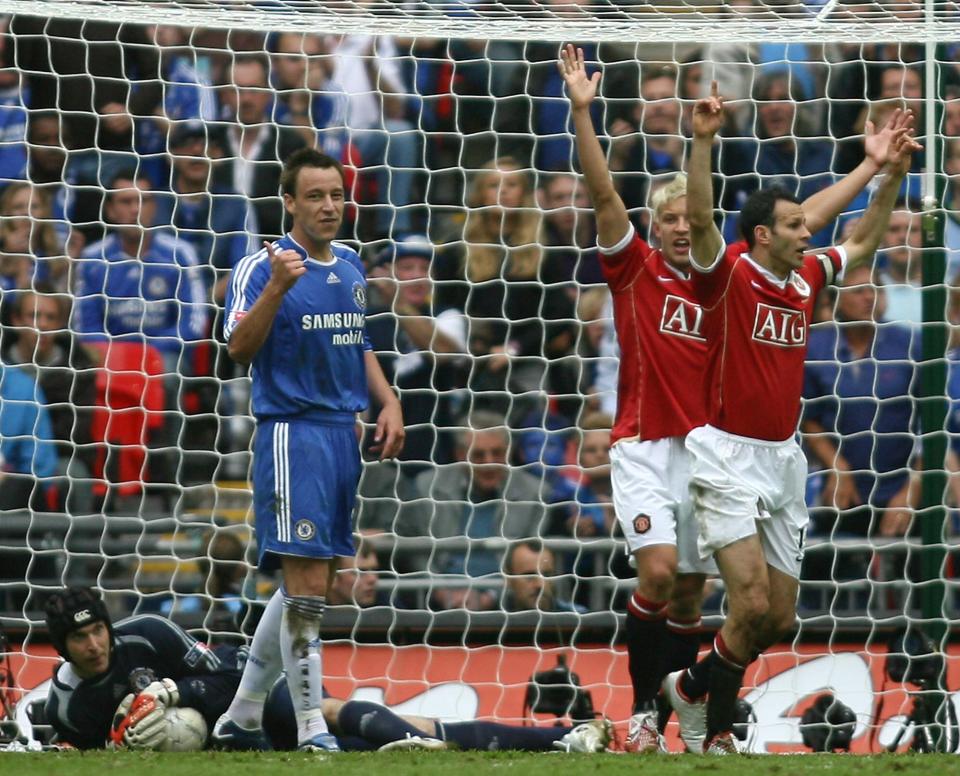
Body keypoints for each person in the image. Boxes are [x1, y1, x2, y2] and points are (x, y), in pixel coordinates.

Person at [559, 46, 916, 755]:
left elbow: (833, 228)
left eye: (689, 219)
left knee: (748, 612)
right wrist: (671, 134)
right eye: (672, 219)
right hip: (671, 443)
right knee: (676, 580)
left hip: (740, 450)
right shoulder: (704, 275)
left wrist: (880, 171)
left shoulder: (799, 274)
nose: (683, 226)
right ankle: (652, 712)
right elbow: (617, 201)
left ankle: (700, 709)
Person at [664, 81, 919, 754]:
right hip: (724, 453)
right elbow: (697, 214)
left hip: (782, 459)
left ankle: (691, 687)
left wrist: (883, 172)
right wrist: (703, 141)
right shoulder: (728, 276)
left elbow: (861, 242)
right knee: (746, 605)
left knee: (776, 615)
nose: (808, 231)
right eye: (796, 226)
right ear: (760, 237)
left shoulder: (805, 278)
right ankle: (715, 731)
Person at [216, 148, 404, 752]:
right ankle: (311, 727)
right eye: (317, 196)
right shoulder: (260, 268)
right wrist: (275, 288)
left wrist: (389, 400)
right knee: (307, 587)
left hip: (342, 433)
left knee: (311, 581)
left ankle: (242, 717)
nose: (330, 206)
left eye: (337, 195)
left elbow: (360, 343)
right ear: (289, 202)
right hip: (292, 433)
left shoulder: (350, 265)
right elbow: (238, 349)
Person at [41, 587, 610, 754]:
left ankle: (560, 738)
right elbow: (77, 749)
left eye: (98, 631)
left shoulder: (150, 634)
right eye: (79, 638)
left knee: (336, 715)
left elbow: (226, 675)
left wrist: (177, 690)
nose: (94, 645)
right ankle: (561, 745)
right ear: (62, 648)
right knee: (366, 754)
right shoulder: (65, 705)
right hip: (227, 750)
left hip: (246, 702)